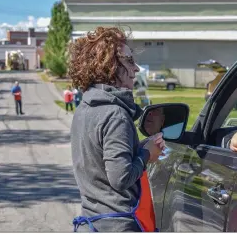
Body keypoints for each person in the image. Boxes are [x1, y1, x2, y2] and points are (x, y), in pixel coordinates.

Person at [68, 26, 165, 232]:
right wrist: (147, 154)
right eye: (129, 61)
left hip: (92, 223)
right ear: (109, 66)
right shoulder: (115, 114)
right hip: (117, 224)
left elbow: (101, 164)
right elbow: (120, 178)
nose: (136, 69)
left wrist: (139, 148)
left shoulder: (84, 109)